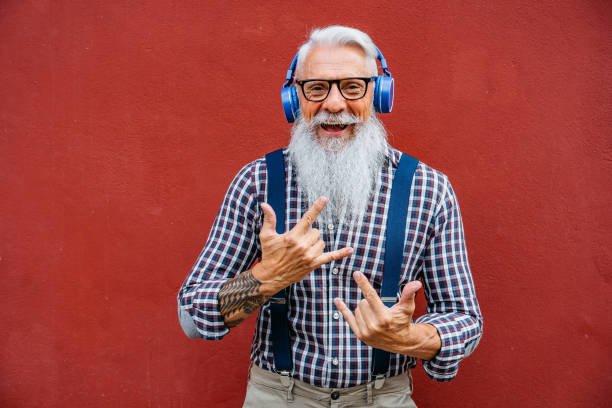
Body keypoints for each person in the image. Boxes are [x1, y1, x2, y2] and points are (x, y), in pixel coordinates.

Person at [178, 25, 482, 407]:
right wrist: (265, 278)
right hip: (278, 396)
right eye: (317, 88)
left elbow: (464, 317)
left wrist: (411, 339)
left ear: (379, 94)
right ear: (295, 98)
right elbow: (192, 315)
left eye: (353, 87)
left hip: (383, 397)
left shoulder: (430, 190)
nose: (335, 104)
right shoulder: (256, 182)